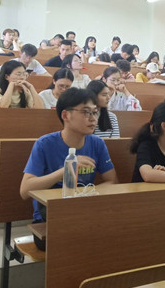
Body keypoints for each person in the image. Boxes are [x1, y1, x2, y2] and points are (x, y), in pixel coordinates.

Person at [20, 88, 119, 241]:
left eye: (95, 112)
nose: (93, 119)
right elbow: (25, 191)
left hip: (84, 211)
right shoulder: (45, 144)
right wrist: (66, 169)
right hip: (50, 216)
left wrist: (85, 195)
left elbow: (112, 181)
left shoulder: (97, 143)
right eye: (86, 112)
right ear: (65, 115)